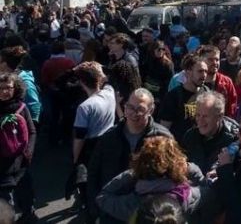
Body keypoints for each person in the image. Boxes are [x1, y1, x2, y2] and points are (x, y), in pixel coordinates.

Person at [87, 88, 172, 223]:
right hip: (111, 211)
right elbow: (93, 174)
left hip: (147, 214)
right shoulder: (109, 137)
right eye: (130, 107)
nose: (133, 113)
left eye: (140, 109)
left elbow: (174, 174)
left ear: (151, 110)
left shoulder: (163, 138)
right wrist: (95, 210)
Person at [96, 136, 204, 222]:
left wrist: (133, 173)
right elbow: (206, 185)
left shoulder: (132, 203)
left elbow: (102, 197)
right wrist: (188, 167)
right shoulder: (190, 196)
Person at [71, 61, 116, 211]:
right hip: (108, 141)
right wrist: (98, 71)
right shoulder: (109, 92)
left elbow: (79, 137)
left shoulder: (85, 107)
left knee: (89, 180)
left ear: (81, 82)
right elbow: (107, 80)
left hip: (90, 147)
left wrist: (75, 158)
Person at [0, 73, 36, 221]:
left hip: (21, 163)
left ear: (15, 88)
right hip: (2, 167)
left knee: (26, 197)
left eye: (8, 88)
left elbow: (32, 131)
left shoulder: (21, 107)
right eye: (0, 88)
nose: (4, 92)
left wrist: (29, 153)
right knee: (6, 204)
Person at [180, 91, 238, 174]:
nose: (200, 121)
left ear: (220, 116)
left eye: (205, 116)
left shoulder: (233, 140)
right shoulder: (190, 136)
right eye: (198, 115)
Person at [159, 54, 209, 142]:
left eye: (205, 71)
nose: (204, 75)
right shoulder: (173, 96)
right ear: (188, 72)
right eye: (200, 71)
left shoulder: (208, 93)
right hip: (180, 148)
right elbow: (164, 129)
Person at [197, 45, 238, 118]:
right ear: (201, 61)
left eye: (217, 59)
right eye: (210, 59)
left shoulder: (227, 82)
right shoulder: (194, 82)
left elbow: (232, 104)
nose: (215, 63)